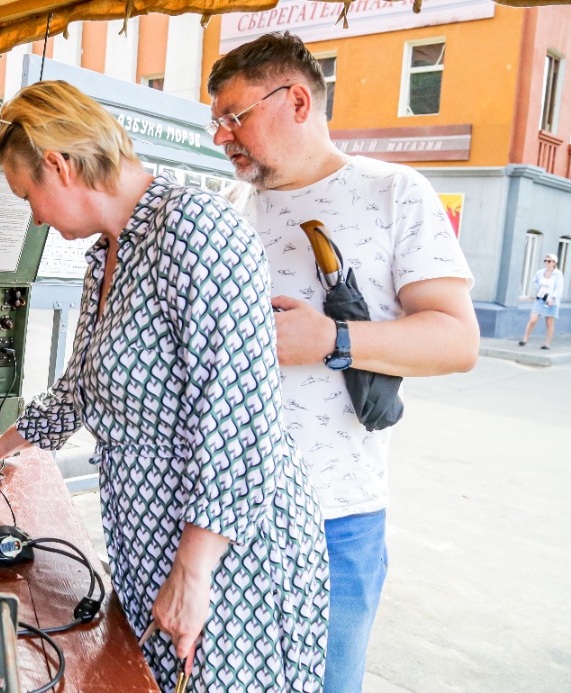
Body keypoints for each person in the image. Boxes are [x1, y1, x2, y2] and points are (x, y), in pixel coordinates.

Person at [0, 81, 329, 692]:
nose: (36, 217)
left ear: (59, 165)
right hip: (160, 547)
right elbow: (82, 387)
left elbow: (240, 421)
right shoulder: (110, 253)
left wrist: (194, 573)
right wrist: (1, 445)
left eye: (28, 197)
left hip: (230, 562)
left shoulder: (195, 228)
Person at [207, 32, 480, 692]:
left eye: (234, 117)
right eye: (216, 122)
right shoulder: (230, 208)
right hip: (222, 514)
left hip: (337, 518)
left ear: (296, 99)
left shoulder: (395, 192)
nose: (222, 137)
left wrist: (333, 339)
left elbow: (456, 340)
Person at [519, 253, 564, 349]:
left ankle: (547, 343)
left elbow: (559, 287)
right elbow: (535, 281)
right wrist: (539, 289)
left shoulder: (558, 274)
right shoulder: (540, 272)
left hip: (551, 301)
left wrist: (553, 297)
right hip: (540, 298)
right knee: (533, 320)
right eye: (545, 261)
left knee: (549, 323)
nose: (547, 263)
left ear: (554, 263)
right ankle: (525, 339)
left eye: (549, 261)